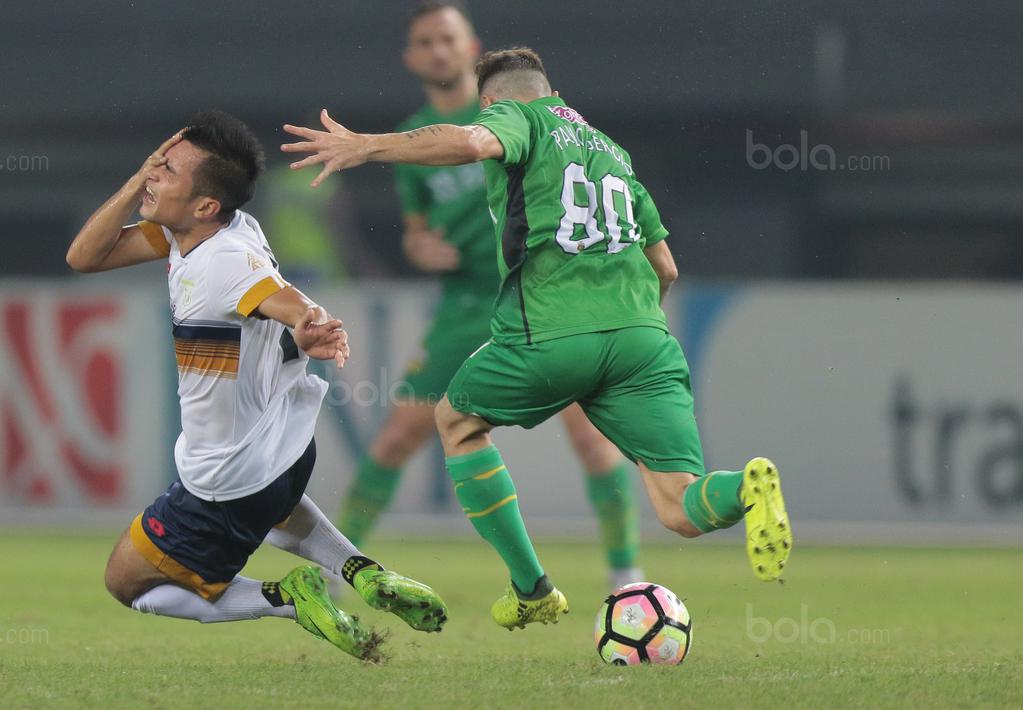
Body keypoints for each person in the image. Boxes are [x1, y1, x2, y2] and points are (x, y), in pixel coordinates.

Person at [282, 49, 792, 630]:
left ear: (493, 102)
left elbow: (472, 144)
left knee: (456, 421)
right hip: (645, 339)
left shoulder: (521, 119)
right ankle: (746, 490)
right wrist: (623, 329)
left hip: (551, 329)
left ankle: (531, 588)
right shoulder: (614, 153)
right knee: (679, 505)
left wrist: (366, 146)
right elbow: (666, 269)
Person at [67, 111, 447, 661]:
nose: (153, 175)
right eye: (157, 164)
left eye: (167, 171)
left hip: (226, 477)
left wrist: (309, 321)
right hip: (284, 454)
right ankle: (363, 572)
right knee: (275, 510)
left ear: (204, 205)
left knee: (129, 583)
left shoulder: (223, 261)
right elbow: (84, 257)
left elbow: (277, 294)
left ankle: (286, 597)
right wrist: (139, 180)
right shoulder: (214, 231)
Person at [337, 0, 644, 590]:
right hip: (468, 306)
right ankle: (338, 567)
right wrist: (419, 248)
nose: (438, 50)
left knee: (590, 433)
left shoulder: (522, 119)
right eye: (425, 42)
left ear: (472, 48)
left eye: (447, 38)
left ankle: (626, 577)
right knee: (400, 435)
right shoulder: (413, 141)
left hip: (545, 293)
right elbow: (416, 231)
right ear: (412, 58)